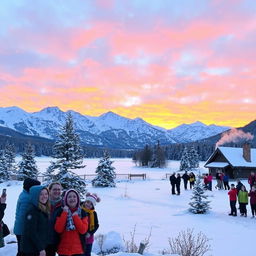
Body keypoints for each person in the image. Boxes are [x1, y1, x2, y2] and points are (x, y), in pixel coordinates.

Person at [55, 189, 88, 256]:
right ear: (66, 199)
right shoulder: (61, 211)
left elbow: (83, 230)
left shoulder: (82, 212)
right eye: (69, 197)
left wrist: (75, 216)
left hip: (78, 251)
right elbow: (58, 229)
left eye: (74, 196)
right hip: (63, 250)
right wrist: (64, 213)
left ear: (78, 199)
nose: (72, 198)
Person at [14, 178, 41, 256]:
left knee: (22, 250)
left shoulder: (25, 194)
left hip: (20, 229)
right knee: (23, 251)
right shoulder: (27, 198)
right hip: (22, 230)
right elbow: (23, 217)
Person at [20, 185, 50, 256]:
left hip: (36, 247)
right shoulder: (33, 210)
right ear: (35, 196)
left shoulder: (42, 208)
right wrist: (41, 248)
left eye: (46, 194)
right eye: (41, 194)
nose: (44, 196)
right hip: (32, 249)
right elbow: (31, 232)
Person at [45, 182, 63, 256]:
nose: (57, 191)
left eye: (59, 189)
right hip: (43, 240)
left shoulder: (63, 204)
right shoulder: (43, 202)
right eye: (54, 189)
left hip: (56, 240)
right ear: (49, 190)